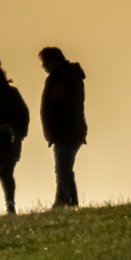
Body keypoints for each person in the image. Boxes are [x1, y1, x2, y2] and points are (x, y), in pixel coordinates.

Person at [38, 47, 87, 208]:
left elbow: (59, 105)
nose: (43, 66)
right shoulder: (69, 75)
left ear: (53, 60)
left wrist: (52, 128)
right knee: (63, 168)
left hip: (64, 130)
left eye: (44, 62)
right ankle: (61, 201)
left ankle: (70, 202)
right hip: (71, 130)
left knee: (63, 169)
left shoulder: (60, 77)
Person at [0, 57, 30, 215]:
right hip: (9, 138)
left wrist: (17, 132)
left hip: (4, 139)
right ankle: (6, 204)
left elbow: (23, 115)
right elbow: (25, 114)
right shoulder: (10, 92)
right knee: (4, 173)